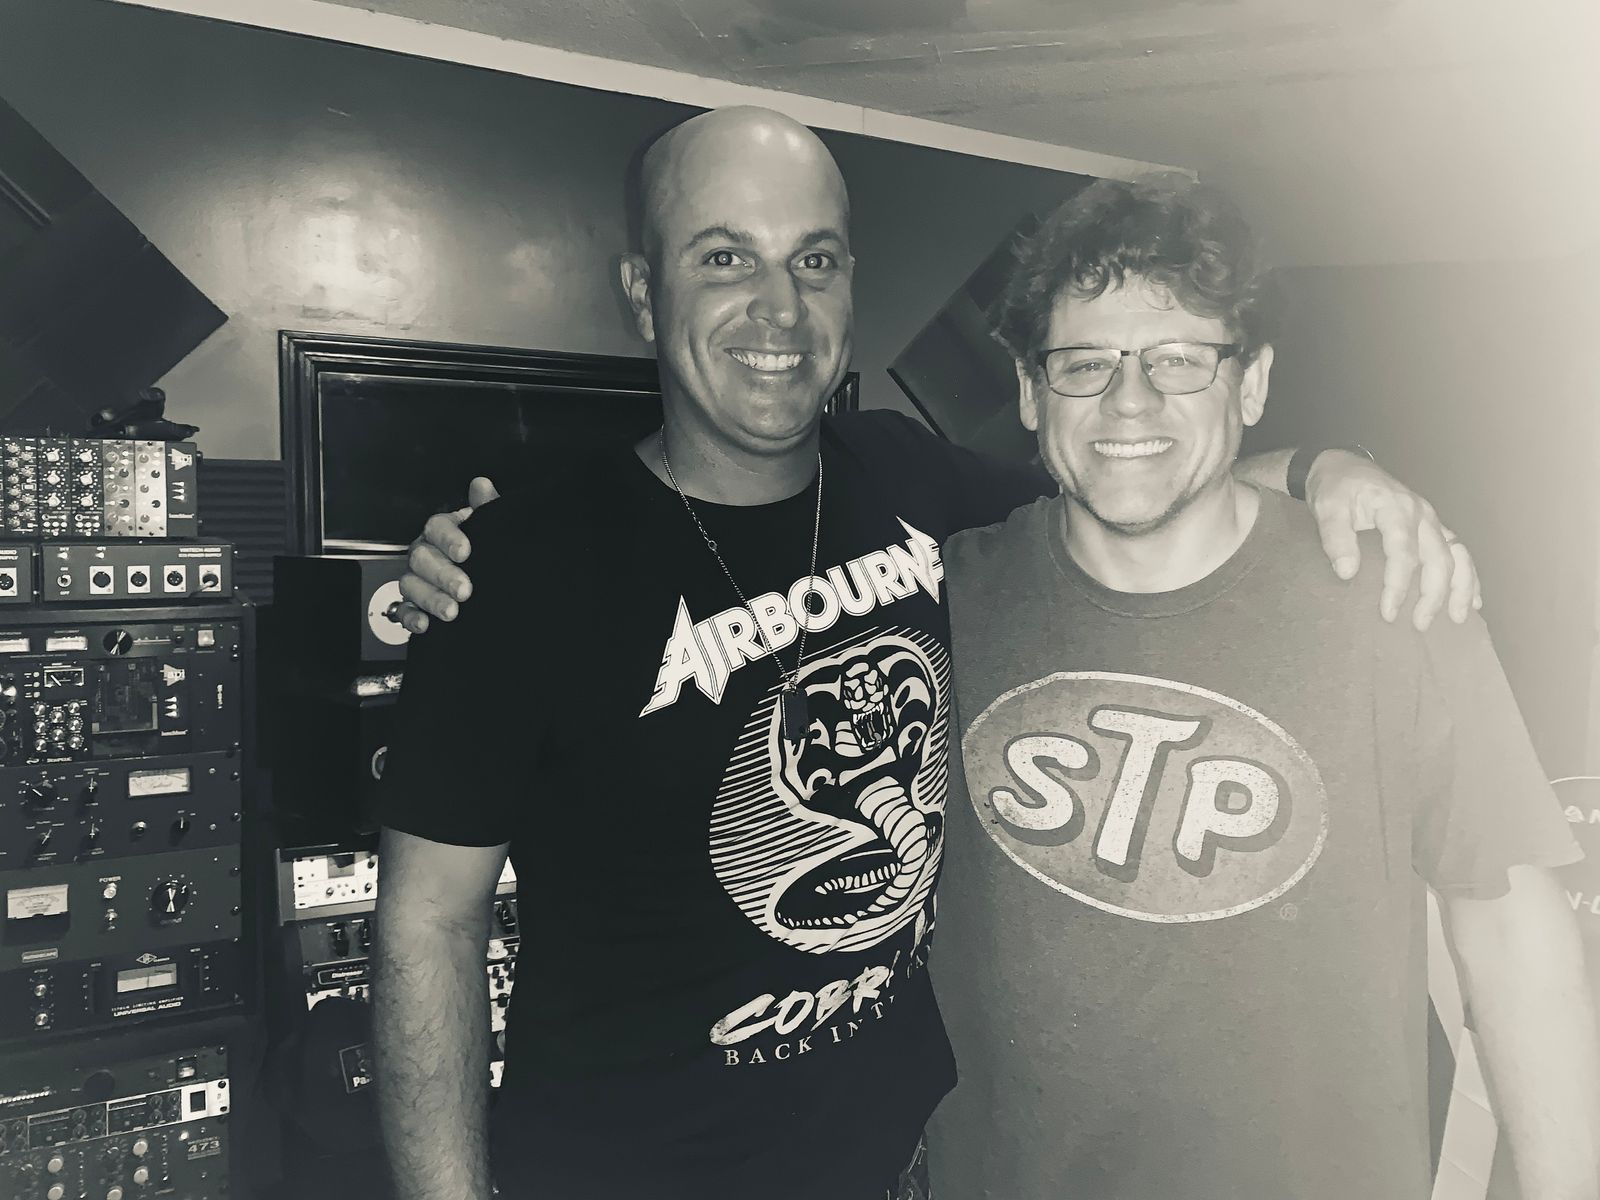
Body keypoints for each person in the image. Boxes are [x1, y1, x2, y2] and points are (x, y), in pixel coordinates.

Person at [376, 107, 1478, 1200]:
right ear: (640, 291)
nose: (780, 305)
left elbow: (1125, 481)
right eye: (724, 258)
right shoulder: (511, 572)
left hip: (914, 1164)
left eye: (814, 260)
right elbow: (428, 923)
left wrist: (1324, 470)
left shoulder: (910, 476)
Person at [930, 173, 1599, 1199]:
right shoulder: (942, 599)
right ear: (1029, 391)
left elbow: (1510, 927)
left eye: (1179, 360)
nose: (1130, 401)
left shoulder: (1392, 597)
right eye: (1085, 364)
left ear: (1250, 385)